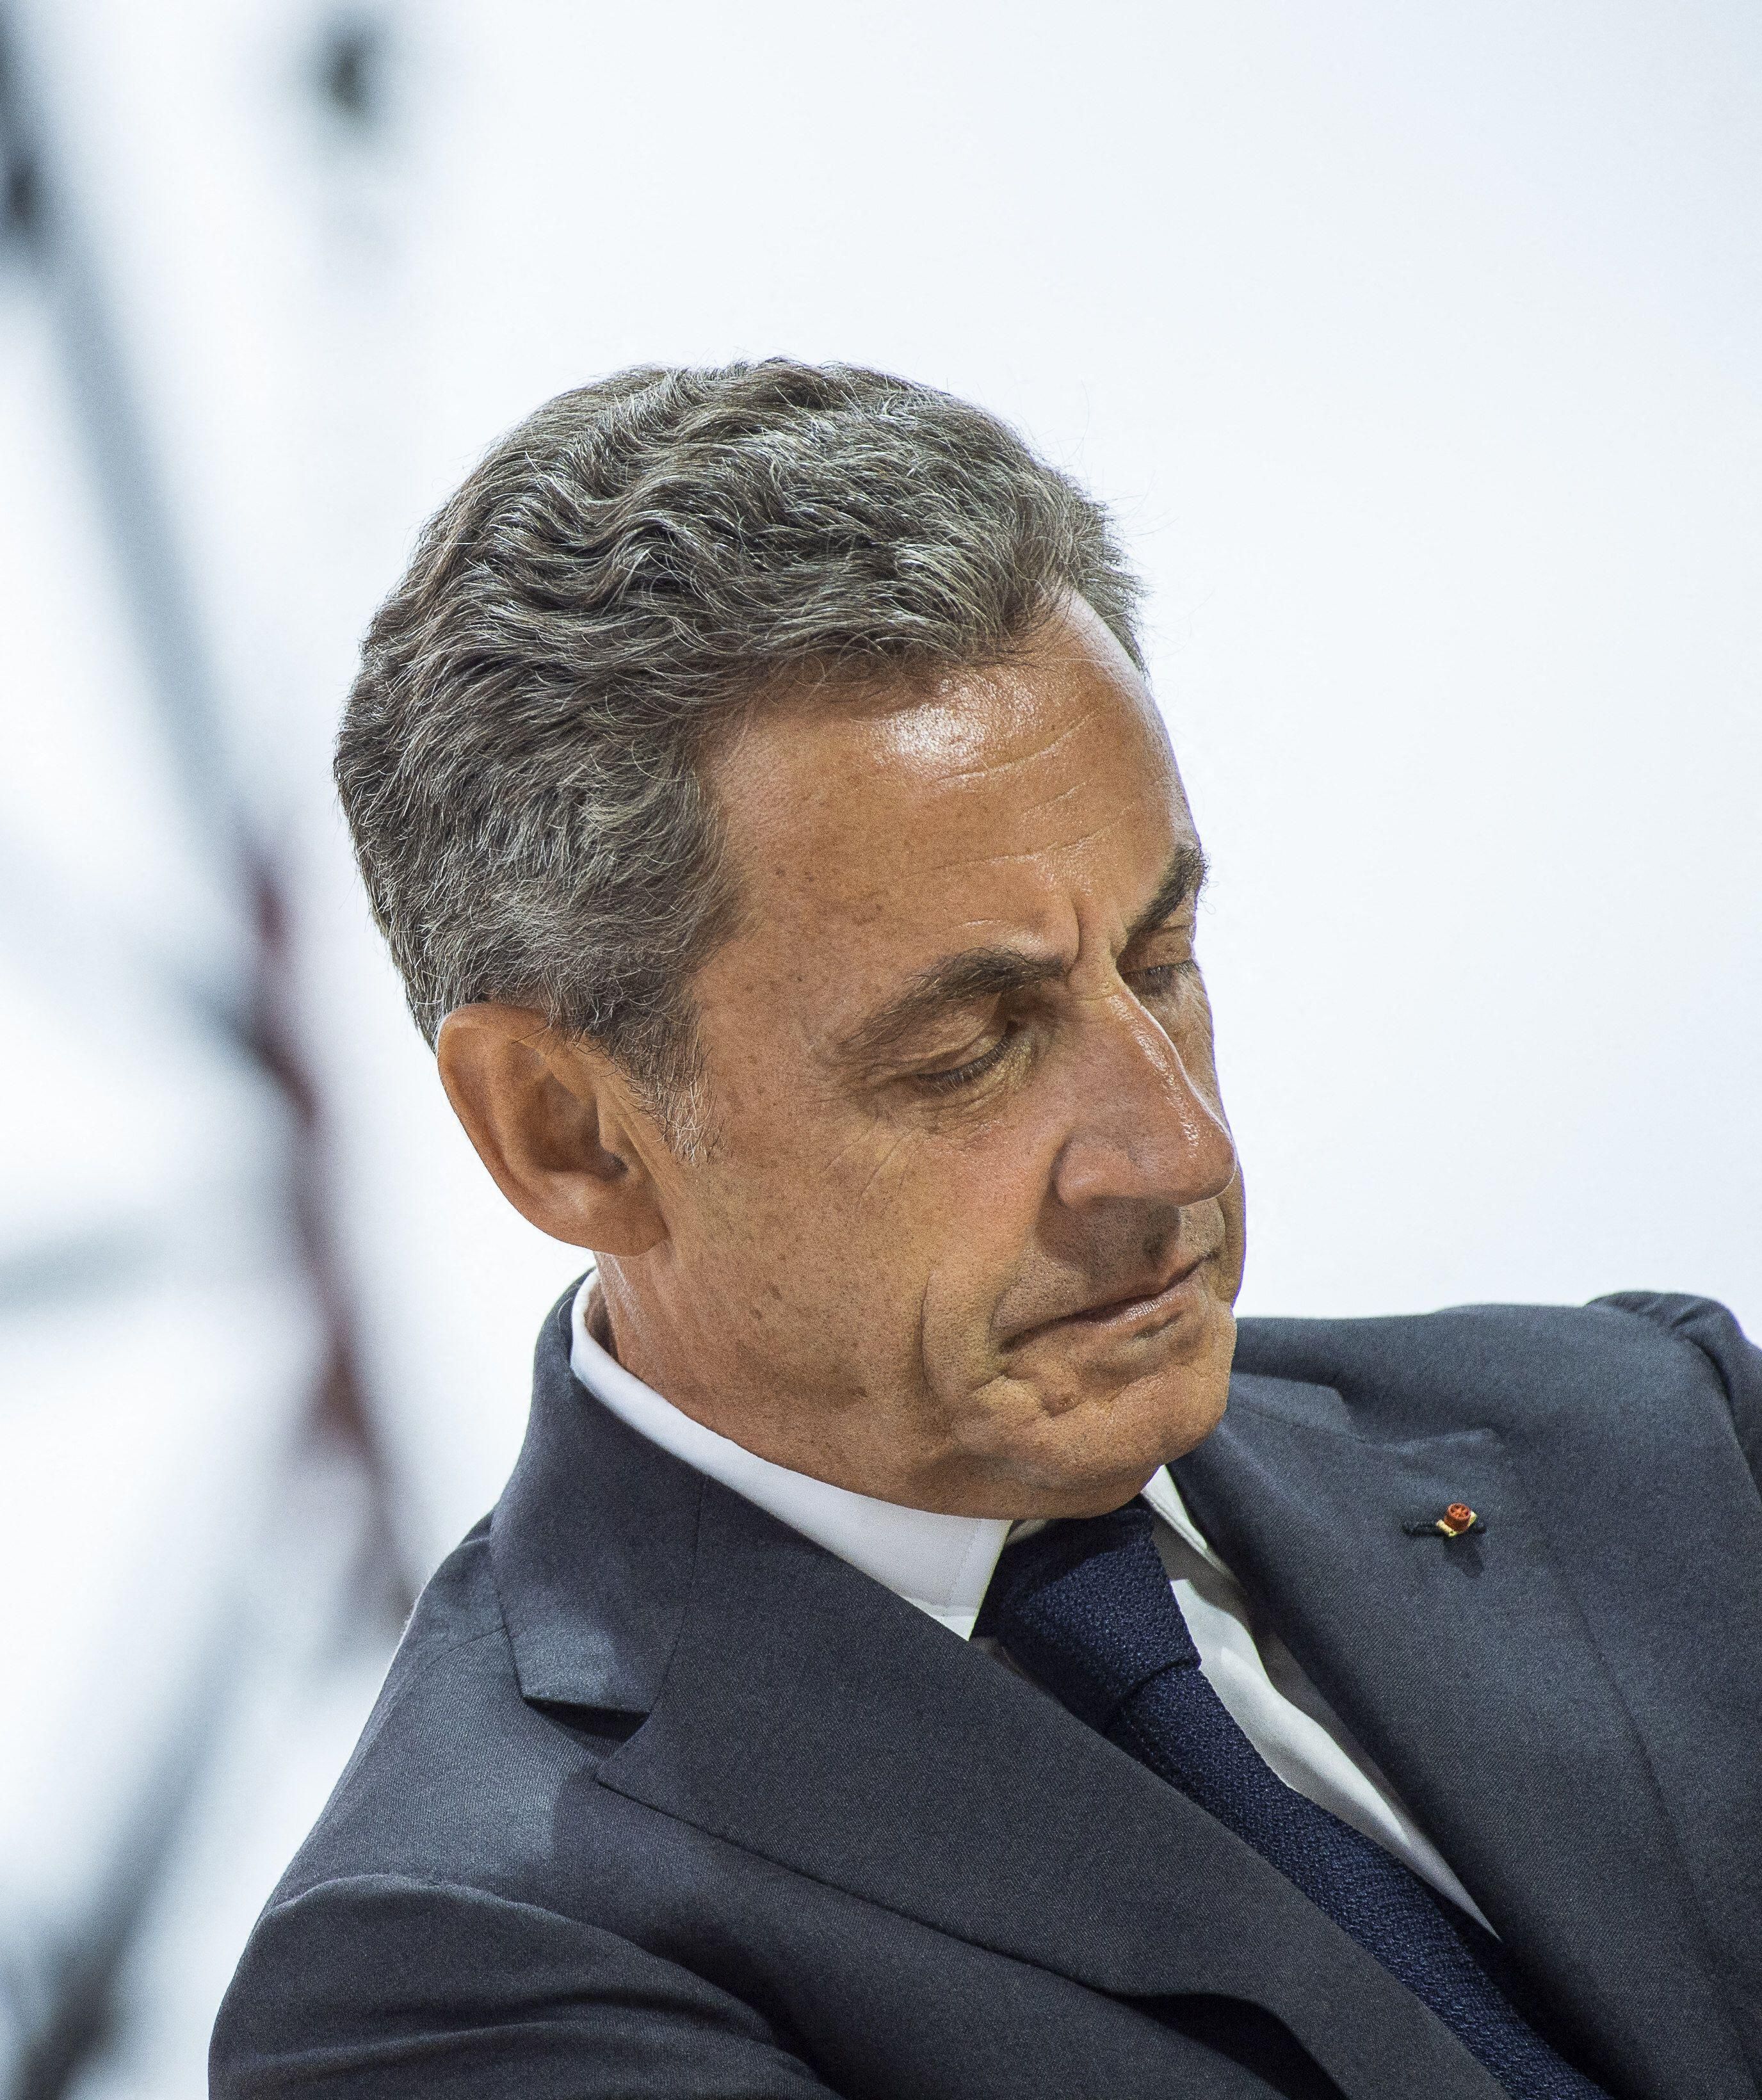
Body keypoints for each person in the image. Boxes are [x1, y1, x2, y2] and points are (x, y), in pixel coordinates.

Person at [211, 362, 1762, 2099]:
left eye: (1162, 962)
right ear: (568, 1136)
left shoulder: (1659, 1436)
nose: (1174, 1144)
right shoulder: (465, 1972)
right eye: (968, 1051)